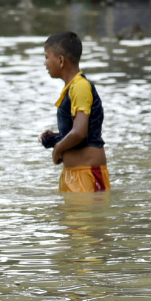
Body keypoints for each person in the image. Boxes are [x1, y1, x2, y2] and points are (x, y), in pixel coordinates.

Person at [40, 31, 109, 193]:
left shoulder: (80, 86)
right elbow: (79, 129)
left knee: (84, 218)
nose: (45, 63)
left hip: (87, 173)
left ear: (61, 60)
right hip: (76, 173)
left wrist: (58, 148)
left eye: (46, 57)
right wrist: (58, 136)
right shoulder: (72, 87)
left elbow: (79, 132)